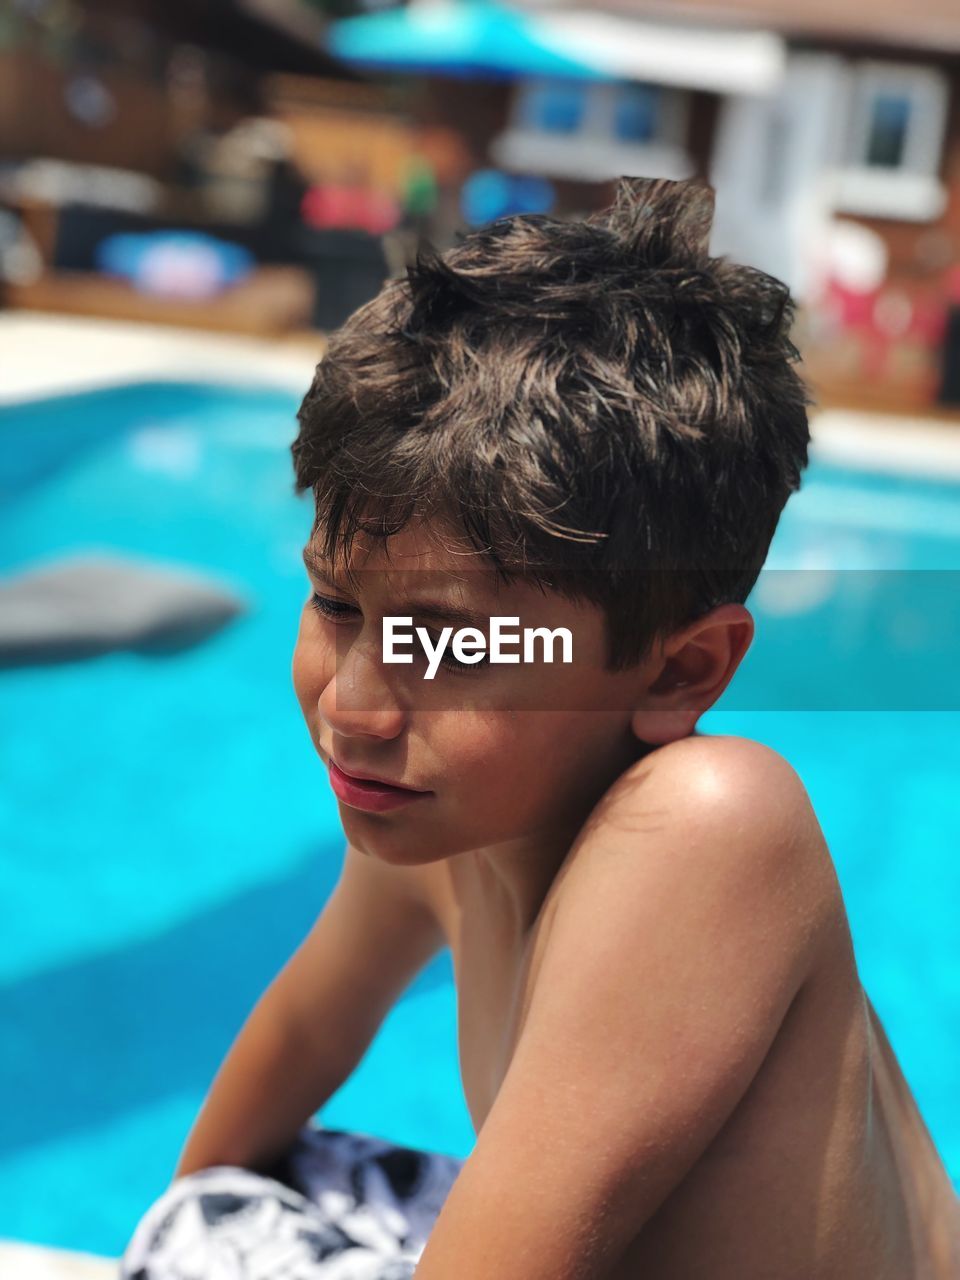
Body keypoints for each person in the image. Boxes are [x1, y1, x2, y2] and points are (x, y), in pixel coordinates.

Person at [122, 177, 959, 1279]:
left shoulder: (709, 829)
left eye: (451, 643)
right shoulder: (444, 824)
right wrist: (175, 1235)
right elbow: (300, 1036)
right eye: (335, 605)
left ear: (681, 669)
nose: (355, 704)